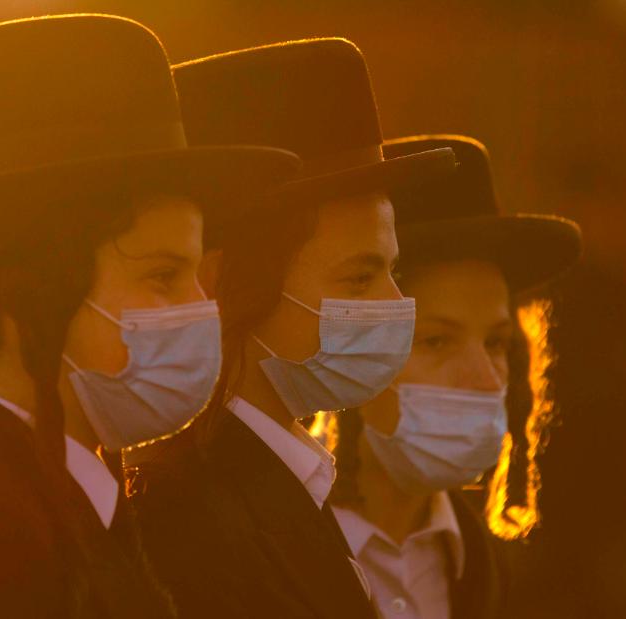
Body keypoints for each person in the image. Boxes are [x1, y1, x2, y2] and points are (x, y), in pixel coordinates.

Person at [0, 15, 299, 619]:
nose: (202, 308)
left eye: (197, 276)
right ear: (25, 297)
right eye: (161, 275)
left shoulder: (64, 496)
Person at [125, 39, 456, 619]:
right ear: (224, 284)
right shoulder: (181, 511)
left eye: (392, 271)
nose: (396, 303)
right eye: (358, 279)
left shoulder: (292, 477)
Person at [322, 135, 581, 619]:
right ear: (351, 347)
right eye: (437, 341)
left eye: (495, 343)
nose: (484, 379)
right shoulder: (273, 549)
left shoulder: (497, 571)